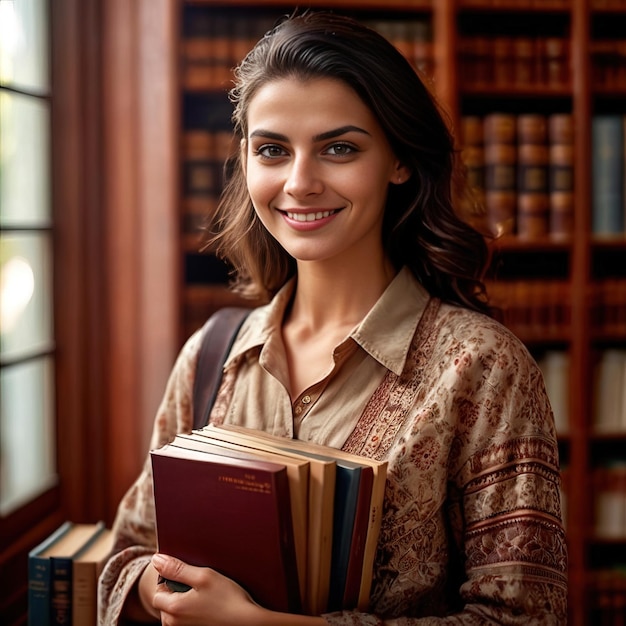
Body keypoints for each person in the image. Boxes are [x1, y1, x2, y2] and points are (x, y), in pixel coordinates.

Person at [98, 10, 567, 625]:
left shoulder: (482, 368)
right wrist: (152, 592)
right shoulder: (211, 356)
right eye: (272, 150)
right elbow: (129, 550)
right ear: (245, 162)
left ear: (398, 161)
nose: (299, 182)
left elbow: (526, 619)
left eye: (338, 148)